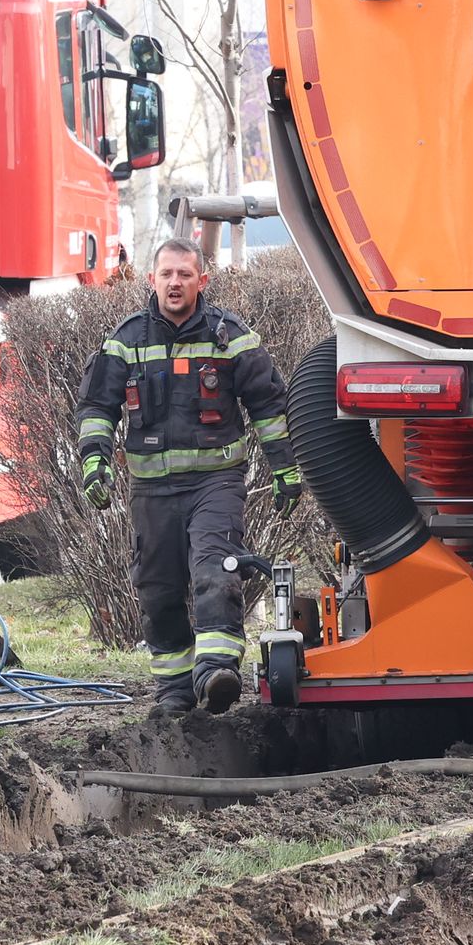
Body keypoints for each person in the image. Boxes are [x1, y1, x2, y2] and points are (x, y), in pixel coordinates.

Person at [81, 239, 298, 713]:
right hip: (151, 491)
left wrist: (285, 467)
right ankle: (175, 690)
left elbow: (268, 406)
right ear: (151, 279)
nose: (175, 283)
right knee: (157, 588)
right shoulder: (125, 340)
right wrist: (94, 461)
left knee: (215, 569)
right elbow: (98, 405)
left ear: (203, 281)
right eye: (166, 274)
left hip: (215, 484)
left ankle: (217, 672)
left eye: (184, 274)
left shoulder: (231, 338)